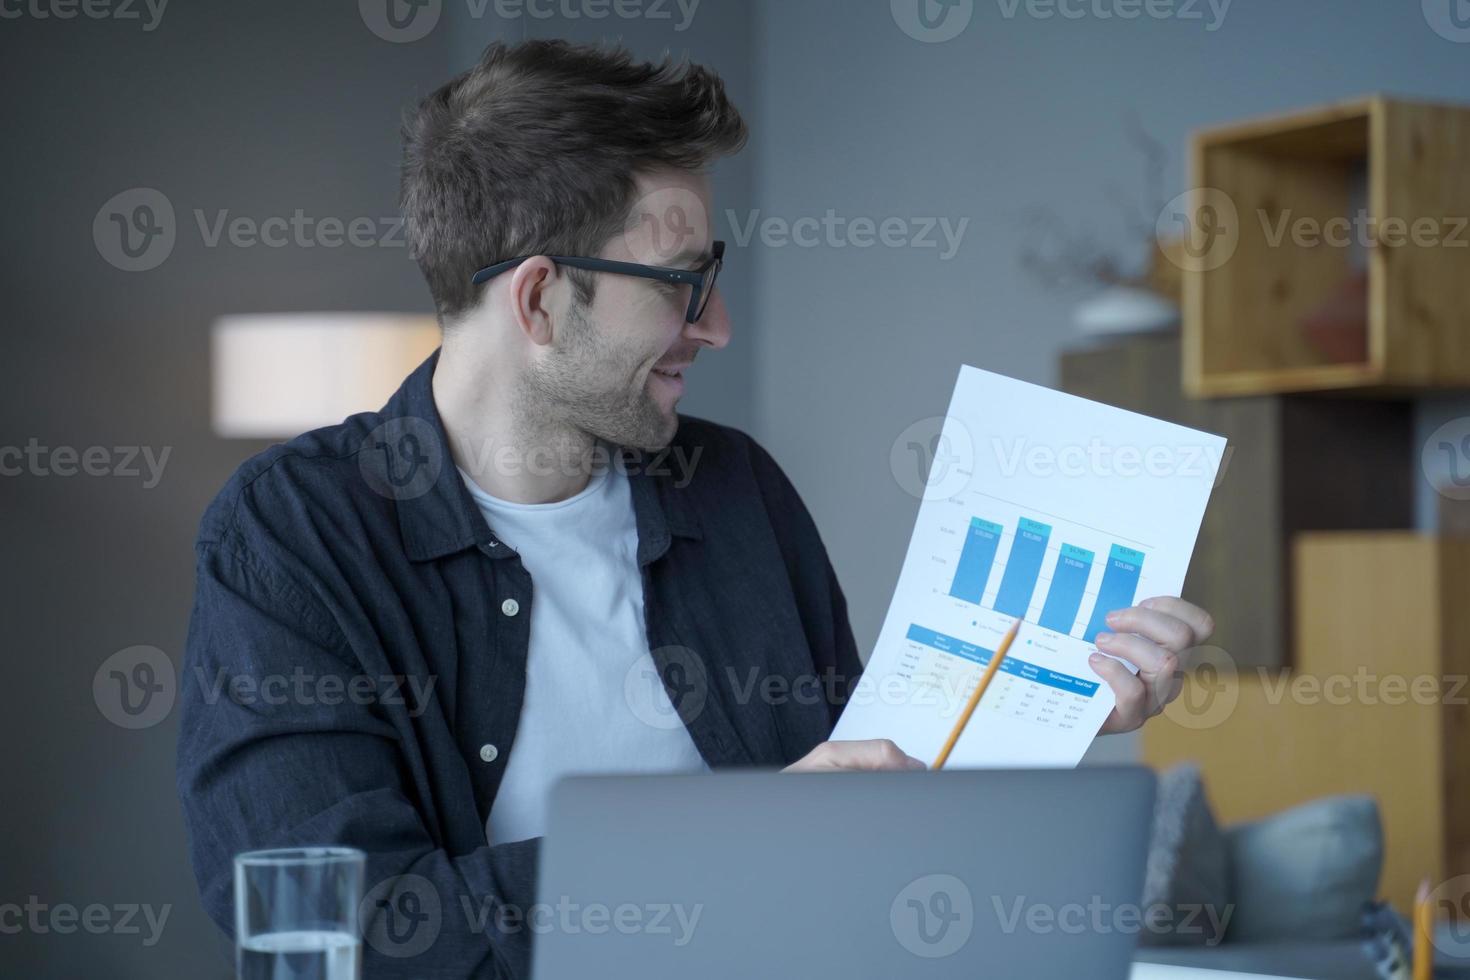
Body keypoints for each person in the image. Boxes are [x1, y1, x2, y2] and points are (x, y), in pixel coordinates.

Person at [176, 39, 1214, 978]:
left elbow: (869, 807)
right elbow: (346, 925)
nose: (713, 326)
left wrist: (1052, 703)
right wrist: (742, 841)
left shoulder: (739, 491)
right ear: (538, 300)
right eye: (682, 282)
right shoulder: (290, 537)